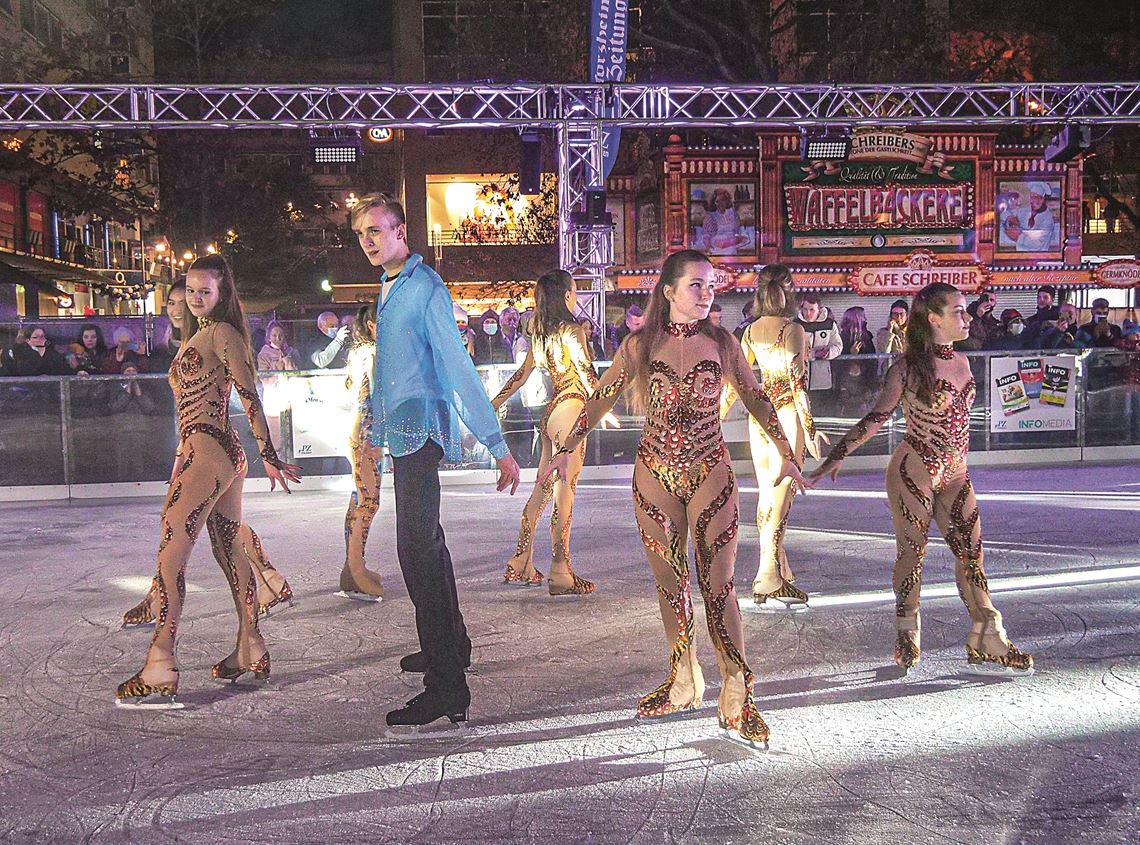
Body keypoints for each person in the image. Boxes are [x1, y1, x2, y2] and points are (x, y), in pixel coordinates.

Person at [542, 249, 809, 749]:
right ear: (668, 292)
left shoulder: (723, 342)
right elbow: (599, 397)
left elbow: (755, 396)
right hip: (654, 475)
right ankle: (683, 680)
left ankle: (737, 689)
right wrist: (567, 447)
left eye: (711, 286)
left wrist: (788, 451)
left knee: (719, 584)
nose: (708, 294)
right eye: (696, 285)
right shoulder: (640, 345)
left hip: (710, 469)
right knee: (670, 585)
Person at [351, 193, 521, 729]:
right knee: (427, 548)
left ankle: (446, 686)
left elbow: (456, 366)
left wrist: (495, 443)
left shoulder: (424, 288)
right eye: (362, 234)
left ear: (401, 231)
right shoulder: (390, 286)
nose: (369, 242)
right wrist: (377, 429)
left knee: (417, 554)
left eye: (377, 231)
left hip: (421, 432)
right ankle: (453, 645)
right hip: (402, 432)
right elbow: (393, 371)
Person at [809, 282, 1033, 678]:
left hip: (956, 471)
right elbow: (877, 417)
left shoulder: (963, 362)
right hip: (915, 469)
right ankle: (907, 629)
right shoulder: (908, 367)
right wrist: (837, 455)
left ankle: (988, 633)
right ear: (933, 319)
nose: (967, 317)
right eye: (959, 311)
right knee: (913, 554)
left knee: (972, 555)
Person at [115, 255, 302, 709]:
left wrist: (271, 455)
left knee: (171, 555)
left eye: (205, 291)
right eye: (191, 290)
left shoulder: (222, 333)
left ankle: (160, 662)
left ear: (223, 294)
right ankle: (249, 647)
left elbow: (249, 395)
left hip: (211, 450)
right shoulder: (199, 335)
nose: (196, 298)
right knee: (227, 548)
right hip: (204, 451)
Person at [491, 269, 618, 595]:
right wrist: (604, 407)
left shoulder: (540, 335)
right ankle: (561, 569)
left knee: (543, 491)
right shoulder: (572, 331)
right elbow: (587, 371)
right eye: (574, 290)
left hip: (551, 414)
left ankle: (520, 559)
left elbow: (520, 375)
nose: (576, 296)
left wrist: (493, 401)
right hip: (573, 409)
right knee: (564, 493)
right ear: (566, 295)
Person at [723, 265, 825, 610]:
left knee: (768, 493)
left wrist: (714, 416)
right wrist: (809, 431)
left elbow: (736, 382)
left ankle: (778, 570)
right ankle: (767, 572)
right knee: (783, 493)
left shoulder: (751, 330)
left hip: (761, 417)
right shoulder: (794, 329)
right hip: (786, 416)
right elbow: (798, 387)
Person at [339, 302, 385, 601]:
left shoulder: (358, 353)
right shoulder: (373, 354)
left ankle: (351, 567)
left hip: (359, 430)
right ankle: (356, 568)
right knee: (369, 501)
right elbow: (374, 399)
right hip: (367, 431)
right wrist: (375, 435)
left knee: (360, 499)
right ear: (372, 326)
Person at [793, 293, 842, 395]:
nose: (808, 313)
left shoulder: (830, 324)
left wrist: (828, 353)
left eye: (812, 310)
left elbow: (838, 346)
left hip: (822, 380)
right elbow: (791, 350)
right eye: (805, 309)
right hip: (800, 380)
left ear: (819, 310)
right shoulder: (795, 324)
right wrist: (813, 354)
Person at [835, 305, 877, 415]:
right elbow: (837, 362)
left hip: (864, 382)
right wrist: (851, 355)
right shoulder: (842, 338)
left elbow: (872, 360)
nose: (865, 319)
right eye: (863, 317)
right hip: (846, 382)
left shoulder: (867, 337)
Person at [1002, 183, 1056, 252]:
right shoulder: (1025, 211)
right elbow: (1003, 214)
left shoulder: (1047, 219)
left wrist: (1018, 236)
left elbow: (1038, 244)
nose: (1032, 201)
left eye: (1036, 198)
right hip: (1019, 256)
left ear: (1042, 200)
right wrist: (1010, 217)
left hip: (1038, 257)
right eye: (1031, 197)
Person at [148, 282, 188, 373]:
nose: (176, 310)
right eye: (171, 303)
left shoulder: (205, 343)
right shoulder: (160, 354)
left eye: (183, 303)